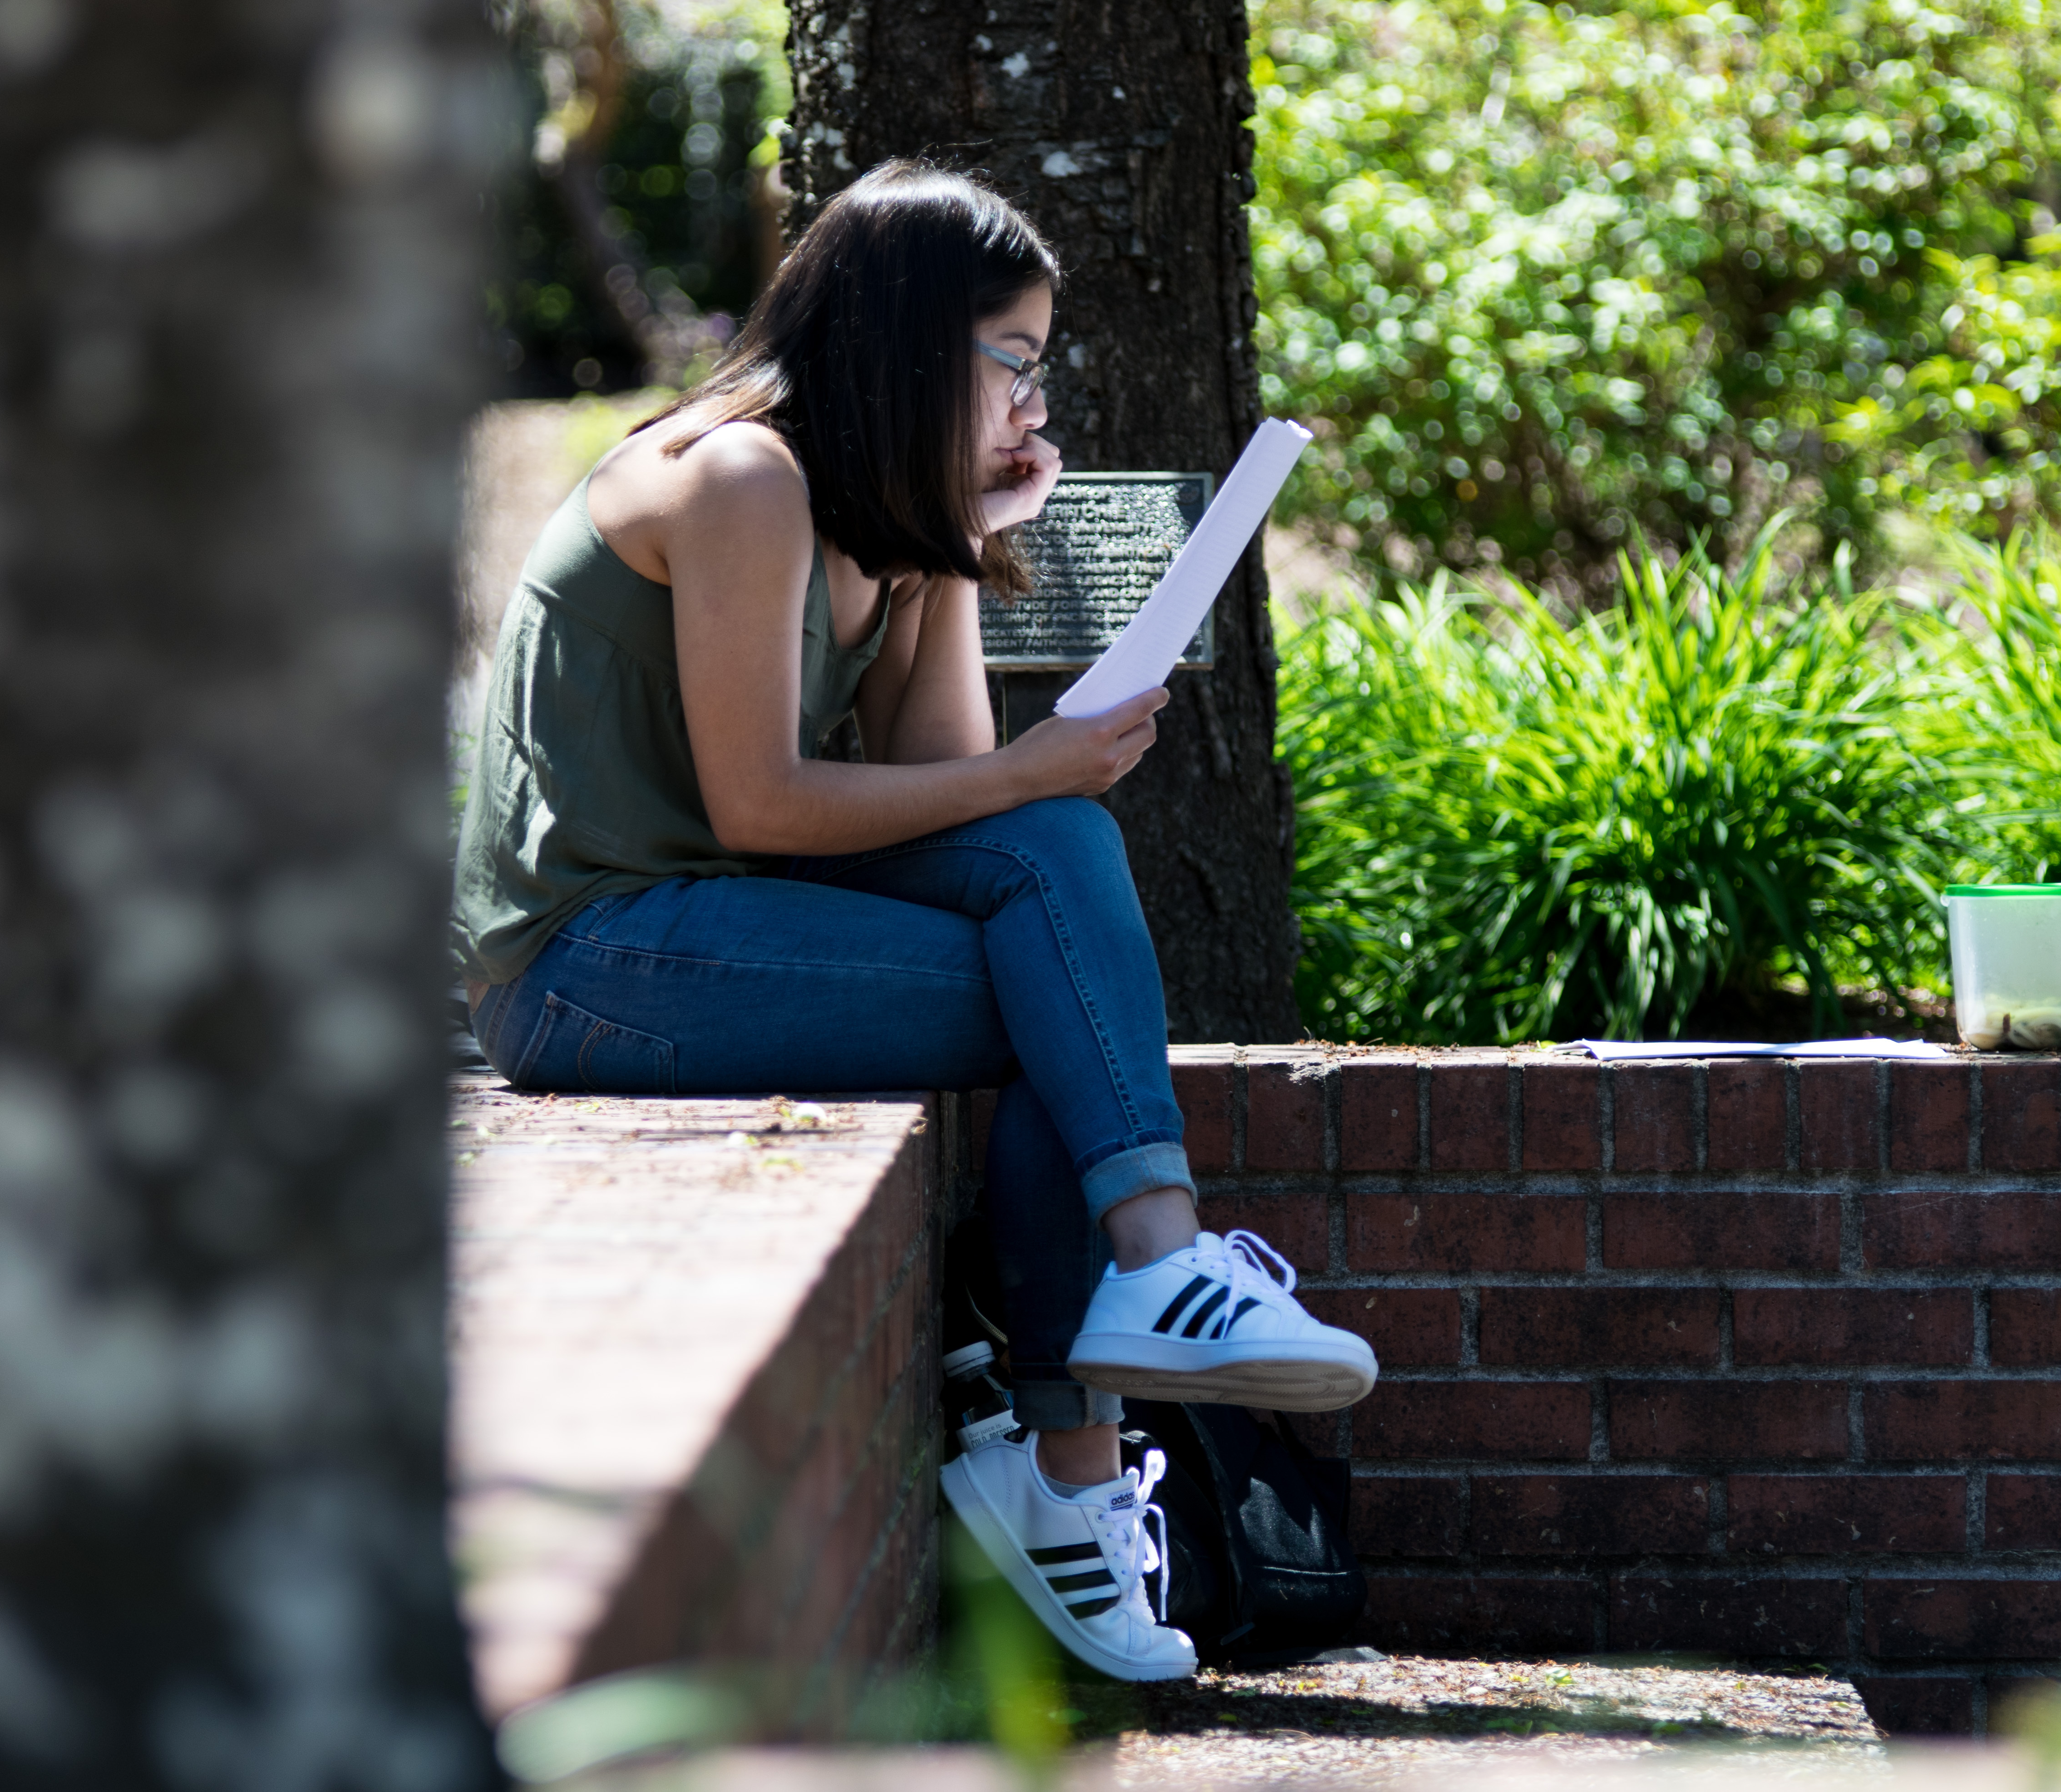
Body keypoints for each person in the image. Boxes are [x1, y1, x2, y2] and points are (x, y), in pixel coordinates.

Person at [451, 163, 1376, 1682]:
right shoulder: (741, 479)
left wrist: (958, 548)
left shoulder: (869, 513)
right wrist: (1028, 764)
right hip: (586, 959)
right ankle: (1089, 1411)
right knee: (1052, 957)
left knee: (1053, 860)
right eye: (1012, 362)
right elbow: (761, 802)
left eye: (1039, 368)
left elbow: (961, 801)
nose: (1032, 401)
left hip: (715, 925)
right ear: (904, 344)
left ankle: (1092, 1417)